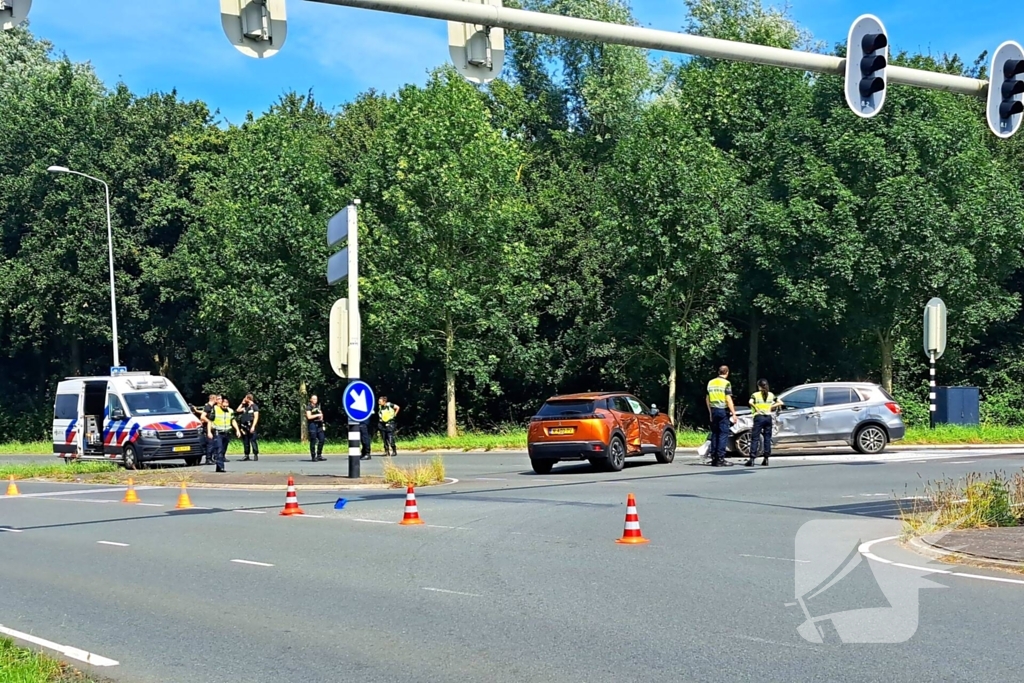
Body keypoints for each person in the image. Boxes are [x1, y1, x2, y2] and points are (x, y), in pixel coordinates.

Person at [705, 366, 738, 467]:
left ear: (718, 372)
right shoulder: (726, 383)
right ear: (727, 372)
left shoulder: (711, 382)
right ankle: (720, 458)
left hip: (714, 410)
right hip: (722, 410)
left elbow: (707, 398)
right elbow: (728, 399)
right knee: (723, 434)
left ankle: (714, 457)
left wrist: (710, 412)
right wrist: (734, 413)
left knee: (715, 433)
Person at [746, 379, 782, 467]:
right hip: (768, 418)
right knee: (767, 438)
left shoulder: (755, 395)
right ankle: (766, 459)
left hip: (759, 417)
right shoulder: (771, 395)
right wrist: (771, 407)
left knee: (755, 438)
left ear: (759, 386)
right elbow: (780, 402)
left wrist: (756, 407)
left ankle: (752, 459)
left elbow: (750, 402)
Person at [209, 396, 239, 473]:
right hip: (218, 432)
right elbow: (210, 421)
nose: (225, 407)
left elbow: (233, 421)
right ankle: (221, 467)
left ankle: (218, 467)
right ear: (221, 404)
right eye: (224, 406)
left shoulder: (230, 411)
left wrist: (237, 430)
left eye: (226, 406)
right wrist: (209, 431)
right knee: (219, 449)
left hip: (226, 433)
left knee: (223, 450)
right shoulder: (215, 409)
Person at [196, 393, 219, 466]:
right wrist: (208, 421)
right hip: (207, 428)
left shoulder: (211, 407)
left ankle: (211, 458)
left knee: (212, 443)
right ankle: (208, 459)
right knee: (210, 444)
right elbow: (202, 416)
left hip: (211, 428)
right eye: (216, 399)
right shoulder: (208, 407)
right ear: (213, 399)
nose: (217, 400)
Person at [236, 393, 260, 462]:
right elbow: (238, 410)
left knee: (253, 440)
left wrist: (253, 426)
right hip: (244, 427)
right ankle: (246, 455)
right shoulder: (245, 407)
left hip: (251, 426)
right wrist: (242, 403)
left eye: (245, 398)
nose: (244, 399)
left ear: (248, 399)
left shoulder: (254, 407)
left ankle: (255, 454)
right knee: (245, 441)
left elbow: (256, 417)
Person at [306, 395, 325, 462]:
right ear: (311, 399)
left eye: (316, 399)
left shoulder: (318, 407)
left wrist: (321, 417)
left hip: (319, 425)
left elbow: (321, 414)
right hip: (312, 425)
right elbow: (309, 417)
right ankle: (313, 456)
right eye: (313, 399)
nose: (315, 400)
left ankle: (319, 455)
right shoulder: (309, 407)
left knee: (322, 439)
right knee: (313, 440)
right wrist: (317, 415)